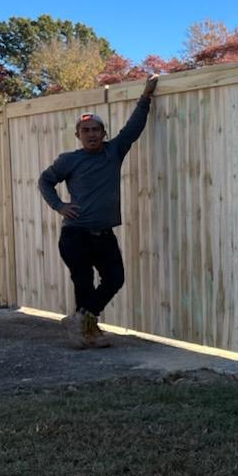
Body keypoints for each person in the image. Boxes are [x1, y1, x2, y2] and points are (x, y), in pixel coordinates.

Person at [38, 73, 160, 347]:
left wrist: (146, 96)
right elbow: (45, 181)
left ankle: (80, 322)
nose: (91, 134)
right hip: (75, 235)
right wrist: (59, 205)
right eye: (86, 130)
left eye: (96, 129)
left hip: (104, 234)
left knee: (115, 279)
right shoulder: (69, 160)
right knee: (83, 284)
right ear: (78, 135)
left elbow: (133, 128)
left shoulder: (113, 151)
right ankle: (87, 333)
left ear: (104, 133)